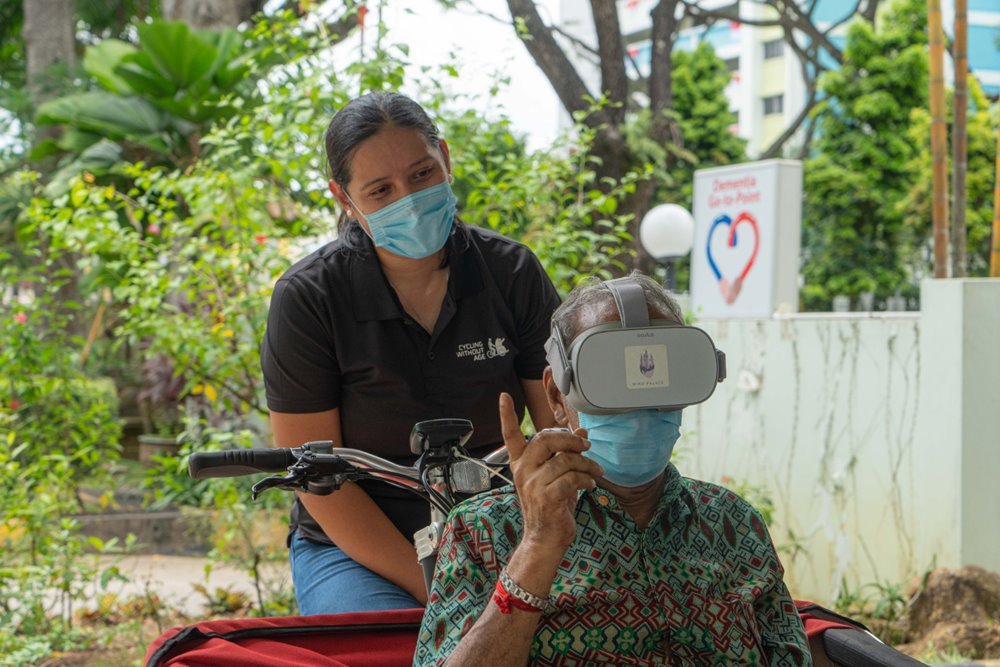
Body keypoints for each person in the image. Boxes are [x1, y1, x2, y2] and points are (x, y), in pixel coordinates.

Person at [260, 92, 560, 615]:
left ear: (445, 157)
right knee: (385, 646)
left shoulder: (511, 273)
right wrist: (435, 587)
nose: (409, 198)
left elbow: (559, 423)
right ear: (344, 198)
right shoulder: (309, 297)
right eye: (381, 190)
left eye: (422, 174)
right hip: (358, 547)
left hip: (505, 528)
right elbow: (312, 475)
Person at [414, 273, 812, 666]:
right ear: (556, 394)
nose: (638, 403)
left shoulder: (735, 524)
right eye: (607, 380)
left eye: (658, 376)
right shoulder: (484, 532)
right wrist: (536, 548)